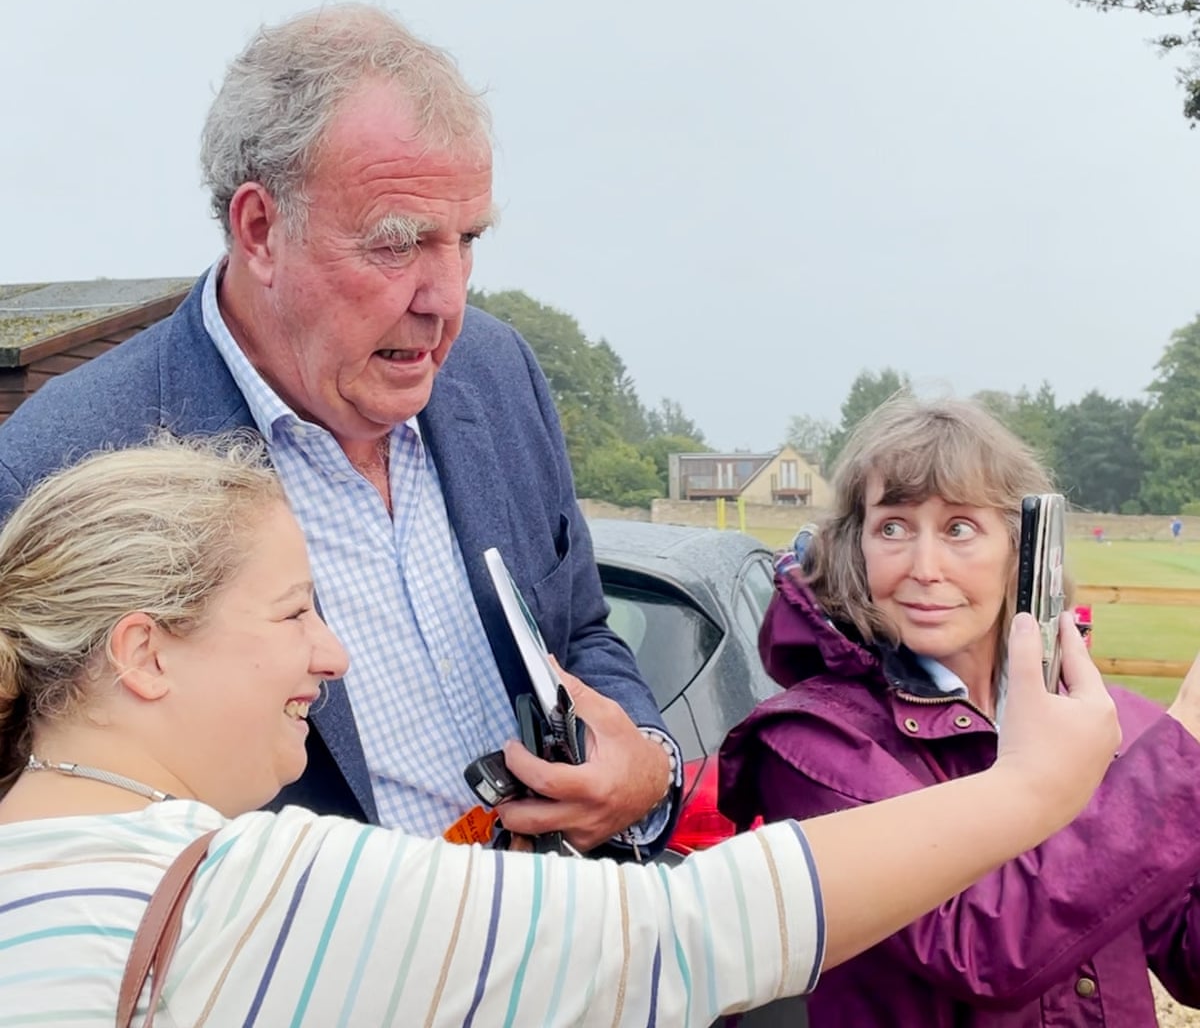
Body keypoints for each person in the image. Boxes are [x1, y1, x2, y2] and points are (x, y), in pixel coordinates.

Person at [0, 437, 1122, 1025]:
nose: (332, 656)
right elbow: (684, 932)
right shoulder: (242, 892)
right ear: (143, 653)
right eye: (296, 613)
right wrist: (1035, 786)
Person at [0, 3, 676, 856]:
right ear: (260, 231)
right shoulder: (70, 460)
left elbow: (578, 630)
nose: (446, 300)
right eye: (397, 245)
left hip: (561, 940)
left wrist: (646, 767)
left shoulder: (498, 374)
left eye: (465, 239)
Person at [719, 397, 1200, 1027]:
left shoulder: (1096, 723)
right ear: (854, 547)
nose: (924, 568)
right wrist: (1184, 742)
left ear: (1023, 552)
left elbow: (1186, 959)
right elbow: (982, 948)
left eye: (959, 528)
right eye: (892, 527)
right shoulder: (811, 743)